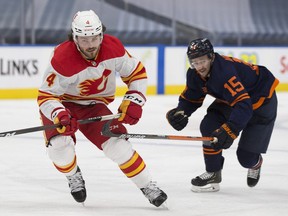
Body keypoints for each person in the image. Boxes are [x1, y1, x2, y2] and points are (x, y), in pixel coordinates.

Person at [37, 10, 167, 207]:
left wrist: (135, 100)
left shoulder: (113, 48)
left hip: (94, 106)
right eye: (84, 39)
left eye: (95, 38)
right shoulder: (62, 57)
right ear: (74, 38)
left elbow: (136, 73)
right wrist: (60, 113)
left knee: (118, 146)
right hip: (63, 105)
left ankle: (147, 185)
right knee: (60, 148)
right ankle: (73, 175)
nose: (90, 45)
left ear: (101, 35)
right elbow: (46, 95)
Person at [166, 38, 279, 192]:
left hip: (262, 101)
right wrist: (181, 111)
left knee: (246, 158)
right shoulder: (194, 74)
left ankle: (256, 163)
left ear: (211, 57)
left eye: (202, 61)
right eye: (195, 62)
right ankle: (213, 172)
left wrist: (230, 129)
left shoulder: (224, 72)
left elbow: (243, 106)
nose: (199, 66)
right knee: (208, 126)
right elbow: (192, 97)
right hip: (233, 101)